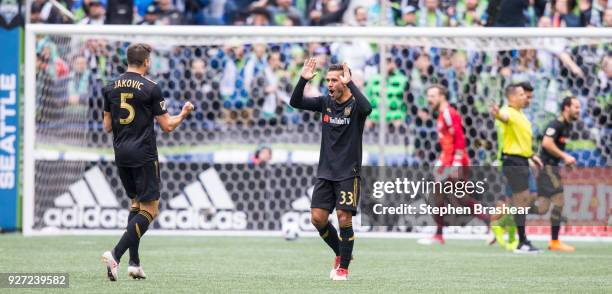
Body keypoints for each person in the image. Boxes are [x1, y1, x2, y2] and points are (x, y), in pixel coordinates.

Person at [100, 43, 194, 281]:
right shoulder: (151, 87)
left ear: (127, 60)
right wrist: (183, 114)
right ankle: (115, 254)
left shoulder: (110, 87)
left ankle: (134, 263)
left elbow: (107, 126)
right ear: (147, 62)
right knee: (151, 210)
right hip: (143, 154)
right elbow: (167, 126)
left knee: (136, 205)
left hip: (121, 153)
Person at [289, 60, 372, 281]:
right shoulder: (325, 103)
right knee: (317, 219)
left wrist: (351, 83)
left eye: (334, 80)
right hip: (326, 171)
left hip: (348, 172)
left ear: (345, 82)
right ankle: (341, 252)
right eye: (328, 80)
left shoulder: (355, 106)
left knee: (344, 217)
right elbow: (295, 102)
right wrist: (303, 80)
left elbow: (368, 108)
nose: (330, 84)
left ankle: (343, 268)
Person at [417, 84, 487, 245]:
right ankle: (440, 234)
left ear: (442, 96)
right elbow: (447, 142)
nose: (429, 99)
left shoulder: (449, 113)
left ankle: (439, 234)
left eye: (433, 96)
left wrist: (455, 163)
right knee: (455, 197)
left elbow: (460, 139)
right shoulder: (442, 114)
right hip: (448, 161)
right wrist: (441, 161)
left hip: (455, 162)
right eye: (428, 96)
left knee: (445, 195)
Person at [490, 84, 543, 254]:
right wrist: (497, 113)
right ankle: (522, 241)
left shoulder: (520, 114)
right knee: (521, 201)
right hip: (513, 161)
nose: (524, 97)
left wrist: (531, 155)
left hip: (521, 159)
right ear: (511, 97)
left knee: (523, 200)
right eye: (521, 94)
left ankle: (506, 228)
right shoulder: (509, 112)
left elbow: (522, 141)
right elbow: (502, 116)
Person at [532, 96, 580, 252]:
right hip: (547, 168)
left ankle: (509, 215)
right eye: (576, 107)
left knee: (542, 208)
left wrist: (565, 160)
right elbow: (546, 143)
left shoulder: (566, 126)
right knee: (559, 199)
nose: (579, 110)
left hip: (552, 168)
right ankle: (554, 241)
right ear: (566, 107)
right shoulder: (556, 124)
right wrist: (565, 156)